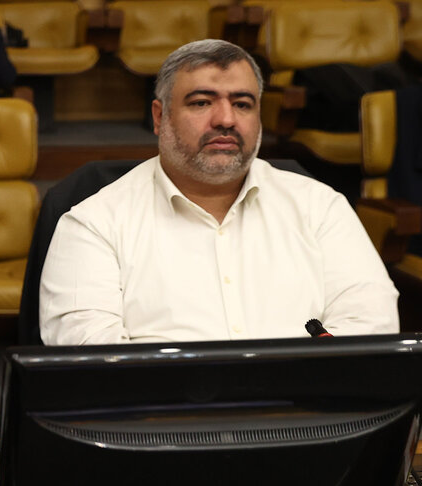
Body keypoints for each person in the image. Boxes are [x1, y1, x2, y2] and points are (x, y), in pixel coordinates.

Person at [39, 39, 399, 345]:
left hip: (307, 407)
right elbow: (91, 361)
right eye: (201, 102)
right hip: (161, 410)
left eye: (242, 104)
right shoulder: (94, 223)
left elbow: (372, 327)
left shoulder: (320, 207)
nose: (226, 119)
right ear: (160, 117)